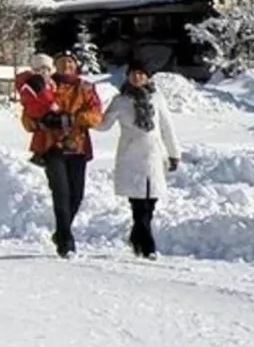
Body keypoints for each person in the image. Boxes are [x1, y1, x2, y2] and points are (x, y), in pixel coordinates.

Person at [21, 51, 103, 258]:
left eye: (70, 62)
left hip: (78, 146)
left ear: (76, 65)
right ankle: (66, 242)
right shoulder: (45, 84)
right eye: (61, 62)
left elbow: (95, 115)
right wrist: (42, 122)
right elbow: (27, 116)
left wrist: (72, 119)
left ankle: (60, 232)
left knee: (77, 195)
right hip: (52, 146)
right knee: (61, 193)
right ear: (55, 66)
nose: (66, 65)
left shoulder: (85, 87)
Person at [97, 62, 182, 259]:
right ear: (127, 77)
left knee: (151, 203)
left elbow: (167, 127)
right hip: (131, 155)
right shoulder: (120, 101)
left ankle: (136, 238)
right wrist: (89, 114)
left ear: (147, 77)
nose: (137, 78)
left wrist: (174, 153)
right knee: (138, 205)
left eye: (141, 74)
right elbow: (103, 125)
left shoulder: (156, 98)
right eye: (133, 74)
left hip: (154, 154)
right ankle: (148, 246)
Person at [14, 53, 59, 166]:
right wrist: (47, 110)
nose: (43, 72)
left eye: (46, 69)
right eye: (39, 69)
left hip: (54, 127)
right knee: (42, 145)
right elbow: (29, 103)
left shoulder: (51, 84)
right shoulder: (33, 84)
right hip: (41, 123)